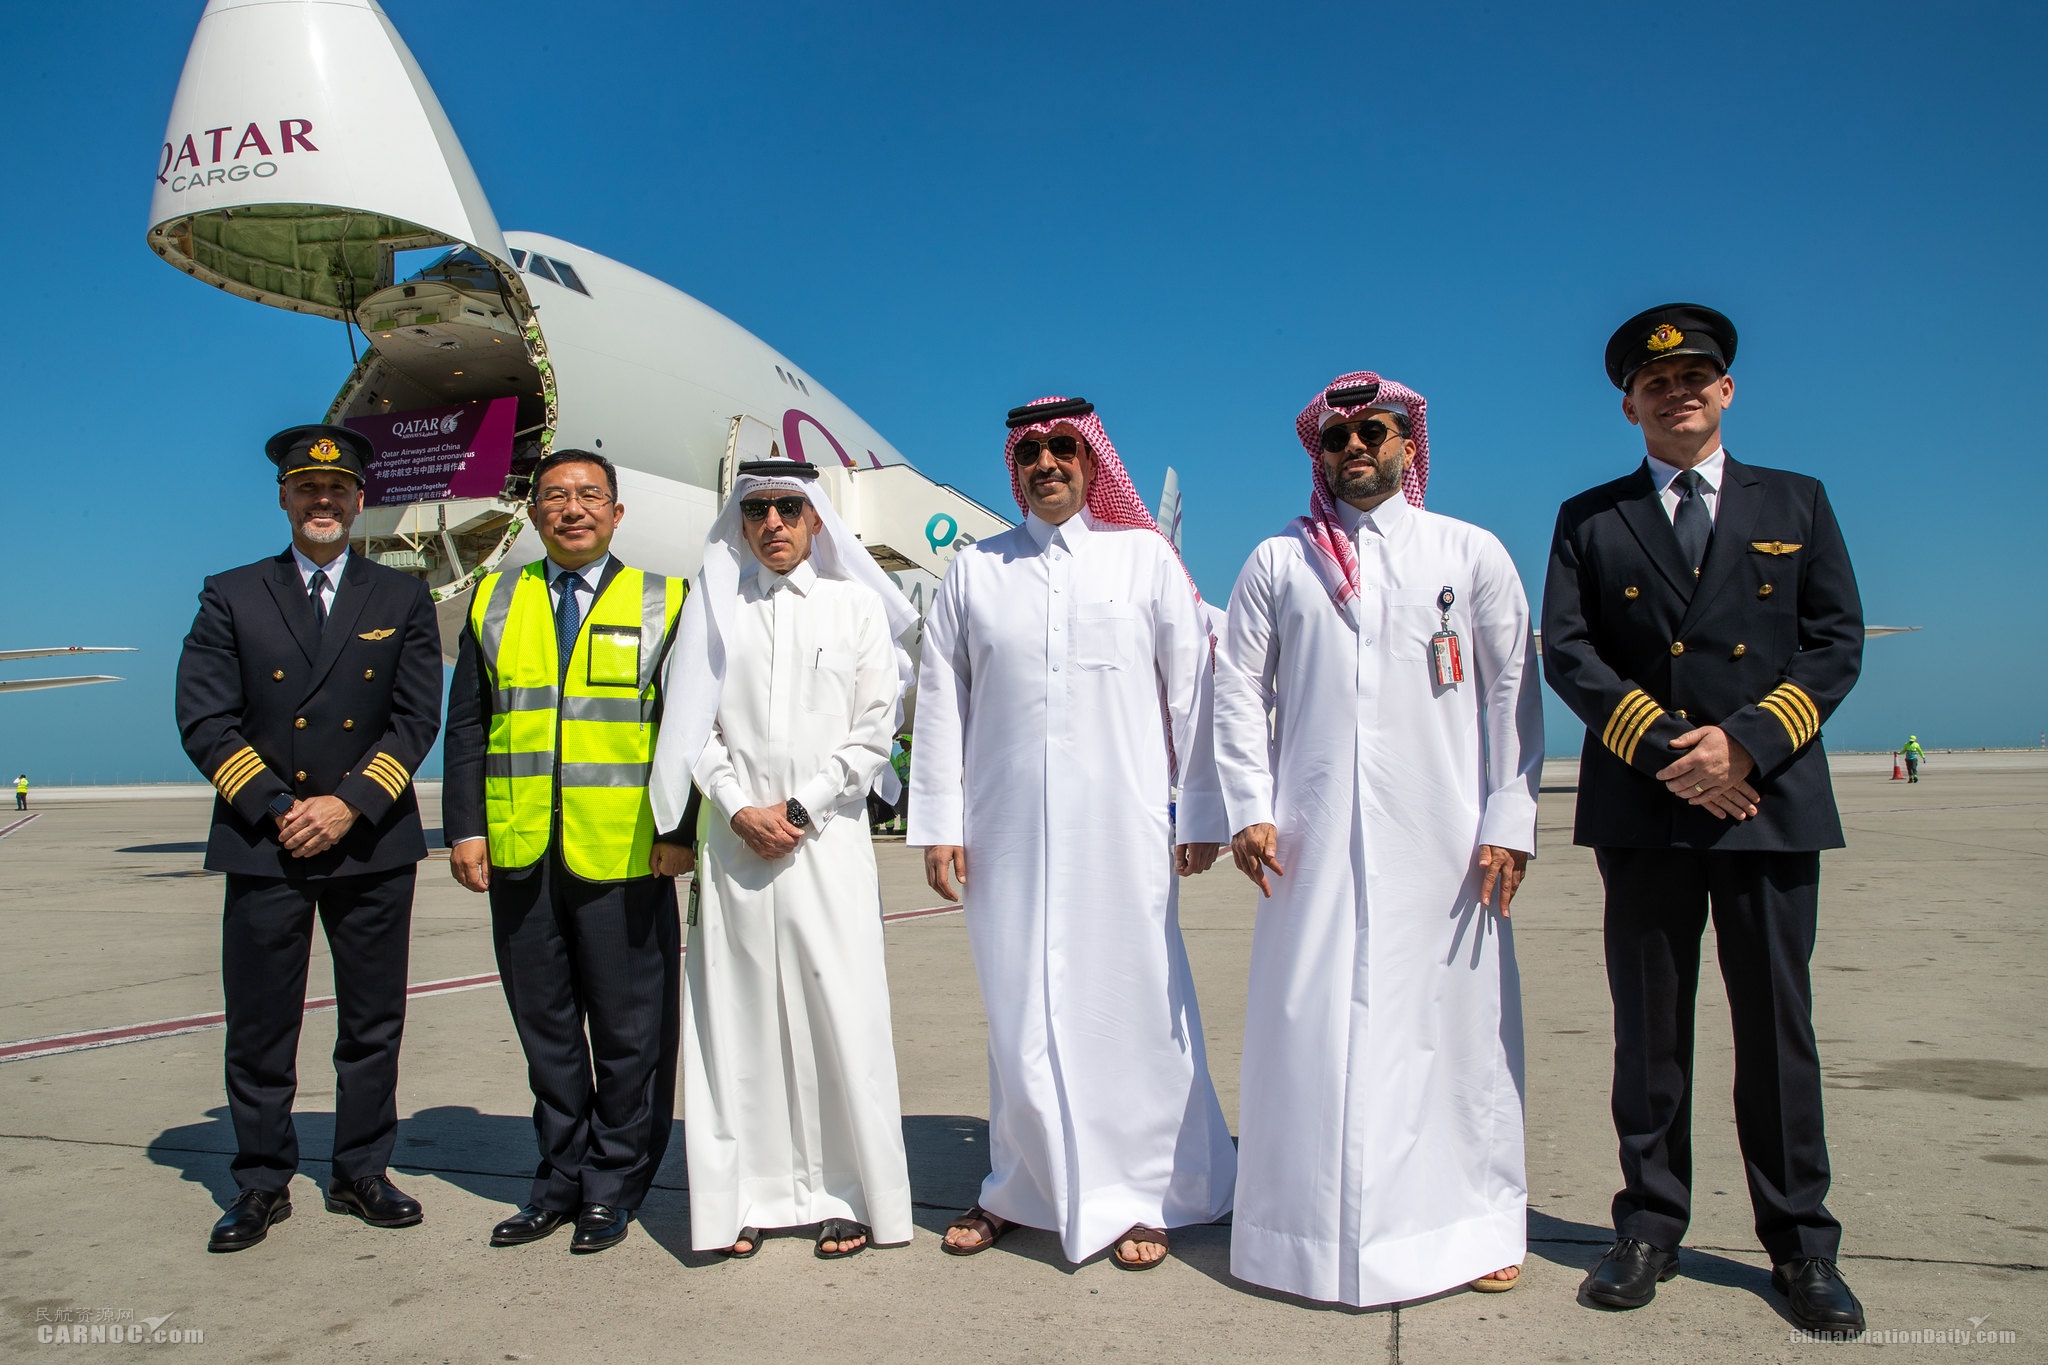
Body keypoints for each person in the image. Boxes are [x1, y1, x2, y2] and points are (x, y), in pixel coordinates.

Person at [1541, 305, 1866, 1334]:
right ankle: (1647, 1226)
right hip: (1645, 808)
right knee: (1648, 1036)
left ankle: (1800, 1246)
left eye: (1696, 376)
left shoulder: (1796, 502)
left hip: (1765, 807)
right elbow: (1570, 652)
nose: (1676, 391)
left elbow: (1833, 642)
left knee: (1776, 1033)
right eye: (1655, 381)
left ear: (1726, 391)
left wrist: (1743, 748)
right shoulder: (1588, 518)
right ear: (1627, 403)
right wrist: (1672, 755)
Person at [1206, 372, 1544, 1307]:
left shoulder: (1467, 552)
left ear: (1407, 443)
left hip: (1446, 844)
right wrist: (1248, 805)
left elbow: (1515, 693)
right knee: (1306, 1029)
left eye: (1374, 431)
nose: (1356, 448)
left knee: (1457, 1032)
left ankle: (1471, 1224)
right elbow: (1237, 688)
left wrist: (1509, 818)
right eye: (1336, 437)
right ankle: (1294, 1236)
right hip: (1308, 843)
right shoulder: (1279, 561)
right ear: (1317, 453)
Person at [909, 395, 1236, 1270]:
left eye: (1064, 447)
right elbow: (942, 700)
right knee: (1018, 1010)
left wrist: (1201, 811)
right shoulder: (977, 572)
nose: (1047, 462)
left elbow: (1191, 695)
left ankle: (1149, 1191)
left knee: (1131, 1006)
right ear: (1013, 468)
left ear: (1092, 463)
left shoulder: (1143, 560)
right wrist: (939, 821)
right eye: (1031, 452)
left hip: (1122, 828)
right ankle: (1023, 1187)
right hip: (1005, 832)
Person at [175, 424, 443, 1252]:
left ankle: (362, 1169)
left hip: (368, 843)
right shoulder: (232, 593)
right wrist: (275, 803)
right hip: (267, 841)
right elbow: (204, 717)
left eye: (337, 491)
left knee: (372, 1020)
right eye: (307, 489)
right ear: (285, 498)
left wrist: (350, 803)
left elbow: (413, 719)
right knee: (261, 1022)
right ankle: (260, 1180)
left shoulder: (401, 597)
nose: (322, 501)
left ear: (360, 500)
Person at [648, 459, 917, 1260]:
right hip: (735, 849)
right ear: (739, 521)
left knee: (845, 1015)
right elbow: (694, 729)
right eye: (758, 509)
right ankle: (749, 1201)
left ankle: (848, 1197)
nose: (773, 523)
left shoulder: (856, 606)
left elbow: (874, 730)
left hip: (826, 847)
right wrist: (736, 807)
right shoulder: (715, 611)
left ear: (816, 522)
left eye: (790, 509)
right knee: (738, 1022)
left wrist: (800, 808)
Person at [443, 448, 688, 1255]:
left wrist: (681, 831)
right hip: (519, 848)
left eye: (589, 496)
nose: (571, 509)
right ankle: (557, 1180)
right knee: (544, 1028)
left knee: (627, 1034)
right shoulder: (494, 598)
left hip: (624, 856)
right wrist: (466, 827)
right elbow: (471, 724)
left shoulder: (666, 599)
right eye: (554, 496)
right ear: (533, 511)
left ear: (618, 513)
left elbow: (691, 729)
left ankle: (613, 1184)